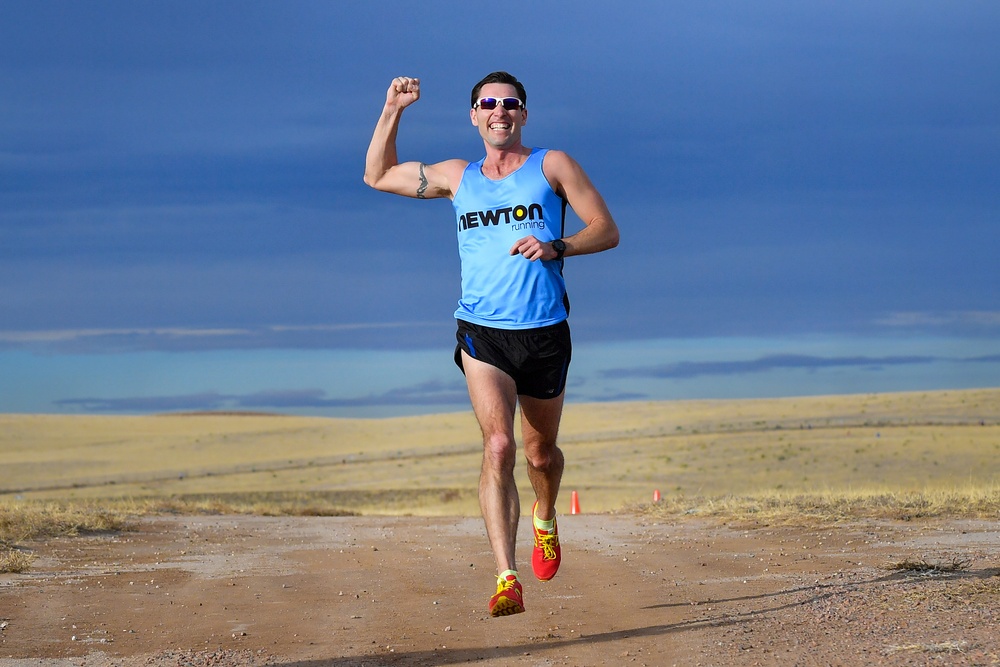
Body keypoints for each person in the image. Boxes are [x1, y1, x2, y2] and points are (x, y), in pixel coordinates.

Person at [364, 71, 619, 617]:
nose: (498, 111)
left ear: (523, 113)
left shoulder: (552, 165)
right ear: (474, 116)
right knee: (498, 446)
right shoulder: (458, 177)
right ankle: (507, 577)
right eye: (488, 103)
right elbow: (377, 175)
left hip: (544, 332)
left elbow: (605, 228)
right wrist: (392, 110)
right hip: (482, 332)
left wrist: (557, 246)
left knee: (539, 454)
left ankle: (545, 516)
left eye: (509, 103)